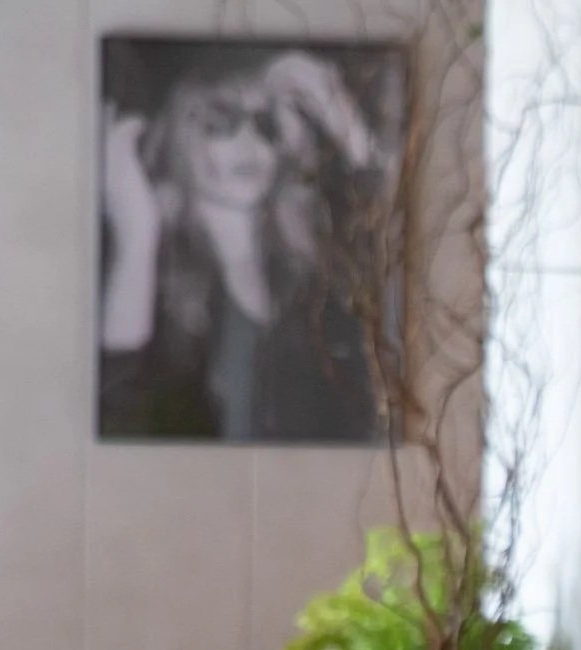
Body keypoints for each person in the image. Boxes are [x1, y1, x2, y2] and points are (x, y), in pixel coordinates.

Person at [99, 47, 389, 441]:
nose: (248, 141)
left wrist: (347, 126)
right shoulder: (149, 264)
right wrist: (137, 235)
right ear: (179, 132)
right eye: (222, 120)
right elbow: (116, 415)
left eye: (266, 125)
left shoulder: (309, 269)